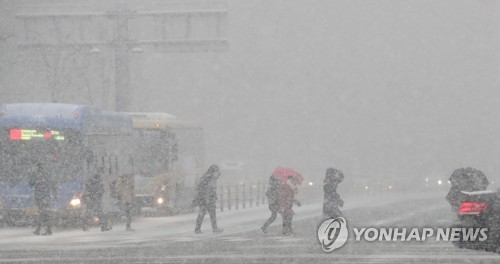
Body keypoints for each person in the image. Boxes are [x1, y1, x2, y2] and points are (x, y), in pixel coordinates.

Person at [193, 165, 223, 234]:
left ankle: (214, 228)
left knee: (212, 214)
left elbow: (212, 189)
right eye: (216, 172)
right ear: (213, 172)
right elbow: (201, 189)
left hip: (209, 199)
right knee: (202, 214)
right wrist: (203, 198)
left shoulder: (213, 178)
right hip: (204, 199)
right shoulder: (206, 178)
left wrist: (213, 196)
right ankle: (197, 229)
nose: (217, 174)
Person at [30, 161, 57, 236]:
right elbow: (52, 184)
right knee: (43, 213)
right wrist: (55, 194)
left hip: (40, 196)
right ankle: (45, 229)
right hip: (44, 196)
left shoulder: (37, 175)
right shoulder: (46, 174)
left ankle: (42, 229)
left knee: (42, 213)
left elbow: (30, 183)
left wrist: (32, 174)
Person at [116, 159, 135, 231]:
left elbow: (131, 190)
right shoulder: (122, 179)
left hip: (128, 198)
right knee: (128, 212)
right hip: (125, 198)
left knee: (129, 213)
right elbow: (118, 187)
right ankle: (128, 226)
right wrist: (122, 193)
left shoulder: (128, 179)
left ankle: (128, 225)